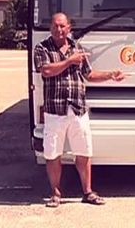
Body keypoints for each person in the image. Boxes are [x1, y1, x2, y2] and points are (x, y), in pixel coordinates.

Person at [34, 12, 126, 207]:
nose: (59, 29)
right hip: (55, 110)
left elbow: (89, 75)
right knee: (52, 154)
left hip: (78, 109)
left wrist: (110, 75)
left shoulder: (77, 48)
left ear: (69, 28)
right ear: (51, 28)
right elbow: (46, 71)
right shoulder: (42, 48)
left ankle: (88, 192)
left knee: (83, 152)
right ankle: (55, 193)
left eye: (62, 26)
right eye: (55, 26)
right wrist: (69, 61)